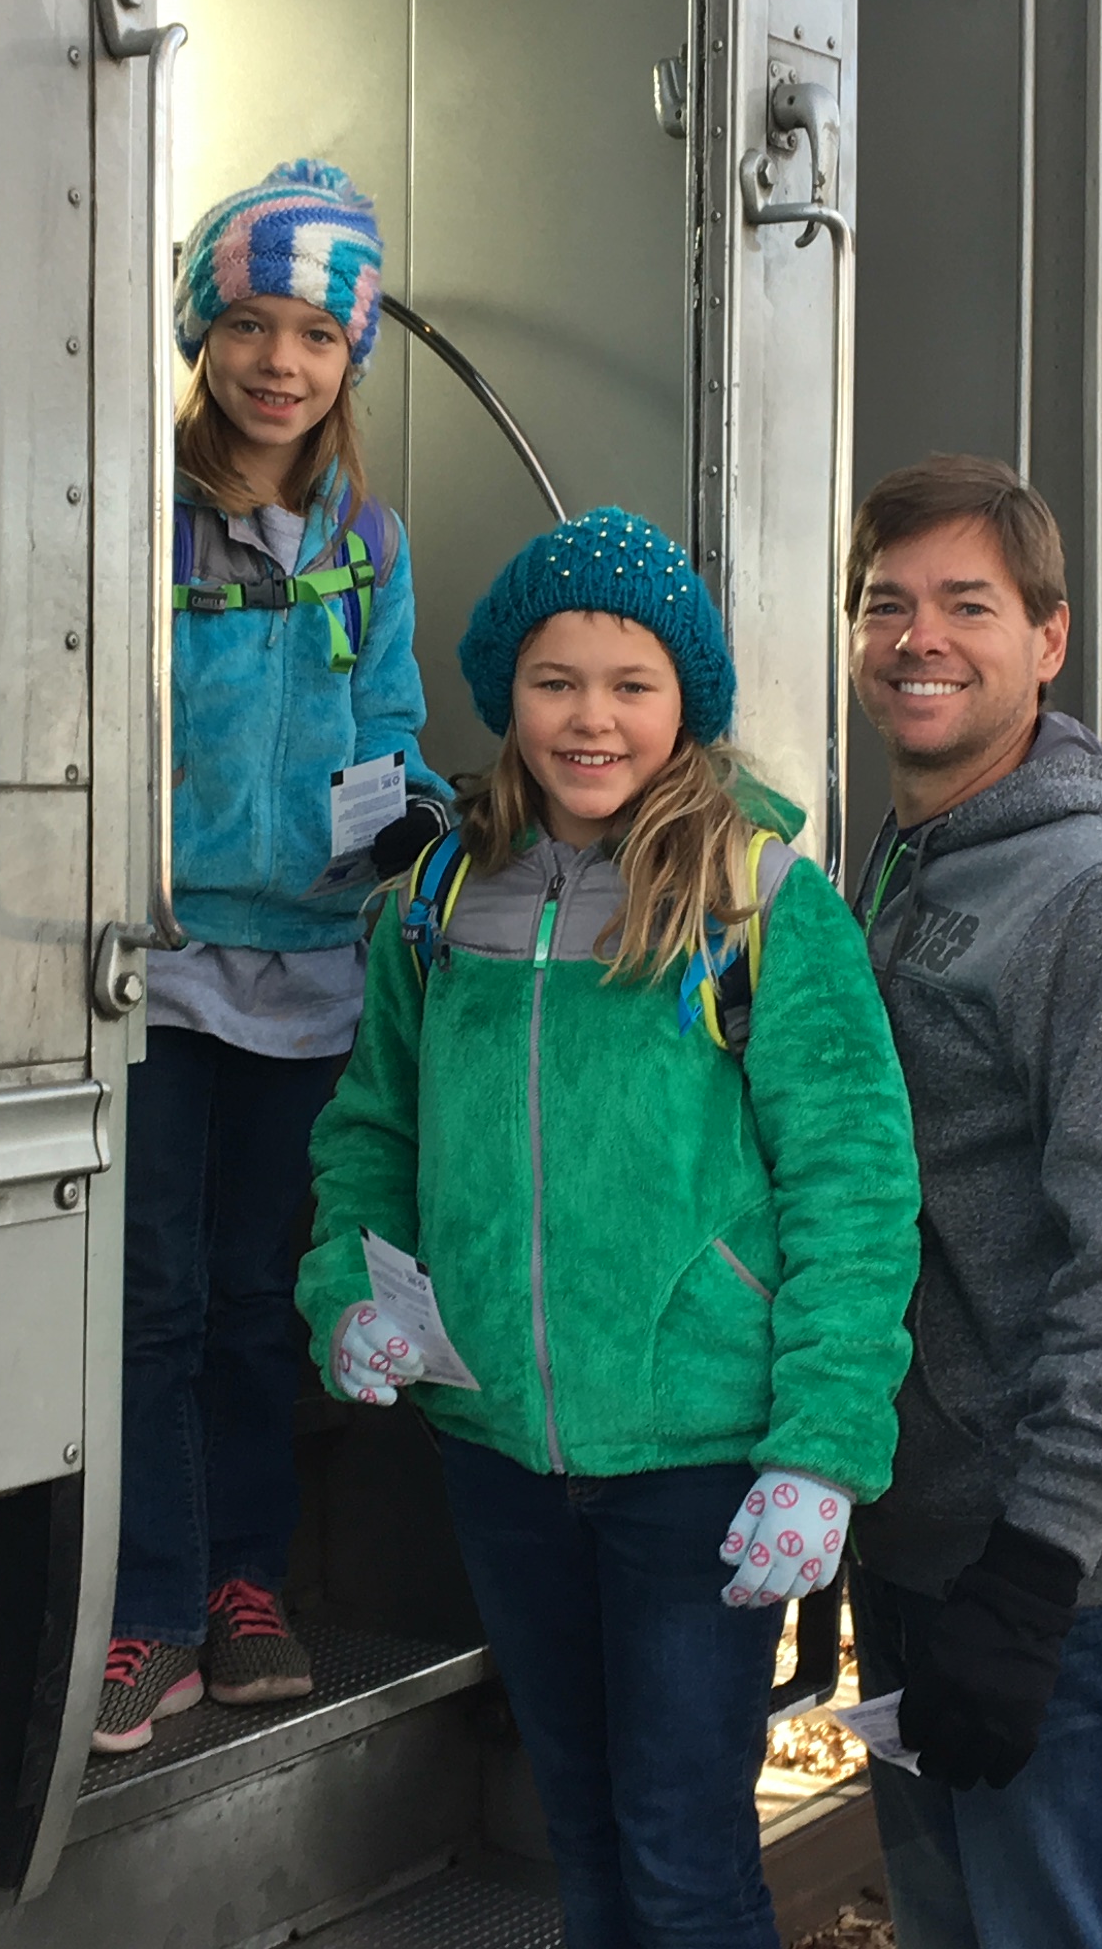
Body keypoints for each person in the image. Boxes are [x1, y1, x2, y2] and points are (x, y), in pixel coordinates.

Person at [298, 507, 921, 1949]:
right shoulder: (435, 902)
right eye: (555, 682)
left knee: (684, 1859)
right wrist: (347, 1290)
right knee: (577, 1833)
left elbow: (854, 1186)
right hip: (499, 1454)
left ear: (684, 704)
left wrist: (822, 1450)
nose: (592, 720)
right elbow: (371, 1133)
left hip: (697, 1466)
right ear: (505, 695)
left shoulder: (763, 902)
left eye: (632, 685)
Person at [836, 456, 1102, 1949]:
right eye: (886, 603)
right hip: (933, 1545)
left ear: (1051, 638)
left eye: (969, 604)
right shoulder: (916, 858)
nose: (919, 639)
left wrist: (1032, 1573)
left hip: (1073, 1587)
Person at [99, 159, 449, 1754]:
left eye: (315, 332)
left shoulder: (369, 541)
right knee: (152, 1298)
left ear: (348, 356)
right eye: (248, 322)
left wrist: (409, 806)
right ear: (201, 332)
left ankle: (245, 1584)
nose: (279, 361)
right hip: (163, 972)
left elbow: (392, 719)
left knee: (254, 1300)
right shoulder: (136, 512)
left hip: (306, 987)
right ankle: (150, 1608)